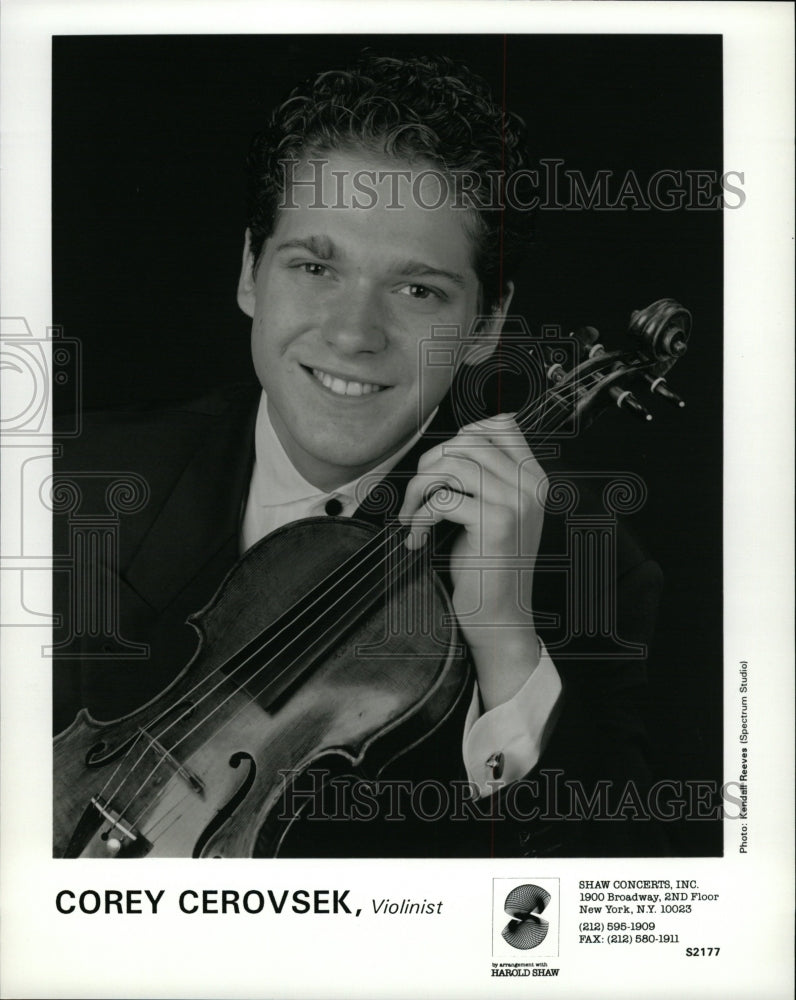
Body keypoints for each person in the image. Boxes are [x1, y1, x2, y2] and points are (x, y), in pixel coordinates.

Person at [52, 53, 665, 858]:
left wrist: (503, 639)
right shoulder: (71, 477)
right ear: (249, 272)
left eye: (418, 292)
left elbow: (597, 920)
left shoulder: (600, 579)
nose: (352, 334)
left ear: (486, 324)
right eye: (314, 266)